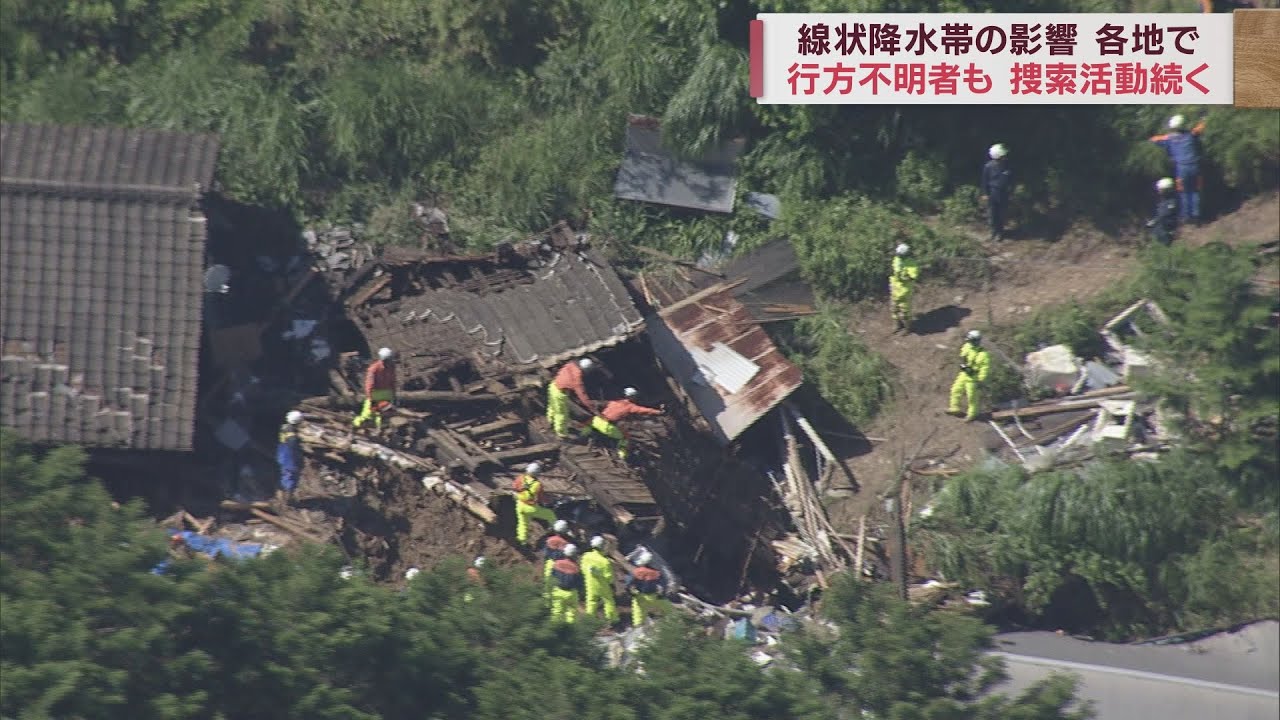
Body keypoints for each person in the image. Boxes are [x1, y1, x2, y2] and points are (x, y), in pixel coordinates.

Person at [1149, 114, 1207, 223]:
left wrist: (1151, 138)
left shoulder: (1169, 139)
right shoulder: (1191, 135)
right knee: (1195, 191)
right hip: (1195, 167)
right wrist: (1204, 119)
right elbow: (1200, 128)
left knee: (1184, 192)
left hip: (1182, 169)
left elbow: (1154, 139)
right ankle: (1196, 215)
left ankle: (1186, 217)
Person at [581, 387, 663, 460]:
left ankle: (582, 436)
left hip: (596, 422)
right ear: (633, 397)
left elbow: (598, 403)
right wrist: (659, 412)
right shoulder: (631, 407)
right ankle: (621, 456)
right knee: (625, 439)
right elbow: (644, 410)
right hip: (607, 428)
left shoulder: (614, 402)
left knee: (590, 422)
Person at [947, 330, 992, 422]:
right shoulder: (967, 346)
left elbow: (985, 369)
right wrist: (963, 365)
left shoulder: (984, 354)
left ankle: (972, 414)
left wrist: (980, 380)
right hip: (964, 374)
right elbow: (962, 357)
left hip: (973, 378)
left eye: (971, 340)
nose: (969, 342)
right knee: (955, 389)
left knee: (972, 397)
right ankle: (954, 407)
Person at [547, 358, 596, 438]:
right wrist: (589, 405)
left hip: (553, 385)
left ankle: (550, 420)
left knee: (552, 406)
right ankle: (561, 433)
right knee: (562, 414)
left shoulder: (571, 365)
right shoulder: (577, 378)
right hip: (559, 393)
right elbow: (581, 393)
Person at [513, 462, 557, 546]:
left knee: (523, 523)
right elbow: (542, 498)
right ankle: (555, 530)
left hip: (520, 504)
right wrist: (550, 501)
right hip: (530, 507)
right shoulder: (537, 484)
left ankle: (522, 541)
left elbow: (515, 487)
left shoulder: (520, 478)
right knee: (550, 514)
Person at [353, 347, 397, 431]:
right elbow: (369, 385)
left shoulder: (391, 368)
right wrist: (372, 399)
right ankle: (355, 426)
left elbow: (393, 381)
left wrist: (393, 394)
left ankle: (380, 431)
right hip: (375, 394)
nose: (390, 362)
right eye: (388, 360)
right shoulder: (374, 369)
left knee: (383, 416)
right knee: (367, 416)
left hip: (386, 393)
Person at [580, 535, 620, 625]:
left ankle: (589, 620)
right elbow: (609, 578)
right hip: (603, 585)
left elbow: (583, 569)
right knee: (608, 601)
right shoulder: (605, 561)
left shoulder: (586, 556)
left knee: (591, 601)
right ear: (602, 546)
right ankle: (612, 619)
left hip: (590, 583)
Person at [625, 551, 670, 627]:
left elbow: (628, 583)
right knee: (668, 609)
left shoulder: (636, 571)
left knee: (638, 614)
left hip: (639, 596)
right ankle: (673, 621)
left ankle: (638, 629)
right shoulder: (656, 573)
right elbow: (664, 585)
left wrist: (631, 593)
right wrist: (662, 595)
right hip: (653, 596)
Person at [981, 144, 1013, 241]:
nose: (1004, 157)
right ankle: (993, 232)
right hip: (992, 192)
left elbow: (1011, 180)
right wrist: (985, 193)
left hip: (1003, 193)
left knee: (1001, 213)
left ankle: (1000, 233)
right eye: (1002, 155)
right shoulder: (988, 166)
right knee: (992, 213)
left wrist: (1011, 191)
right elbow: (984, 181)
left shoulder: (1007, 166)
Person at [889, 243, 920, 333]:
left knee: (905, 311)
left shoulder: (912, 263)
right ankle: (897, 325)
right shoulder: (896, 259)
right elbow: (893, 270)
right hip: (895, 289)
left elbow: (912, 277)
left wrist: (904, 277)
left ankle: (907, 328)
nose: (899, 256)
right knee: (894, 309)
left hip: (904, 291)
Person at [548, 544, 583, 624]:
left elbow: (551, 576)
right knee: (571, 614)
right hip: (571, 593)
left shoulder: (557, 563)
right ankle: (569, 631)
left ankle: (554, 630)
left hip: (557, 591)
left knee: (556, 613)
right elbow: (579, 583)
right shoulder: (576, 568)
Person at [276, 411, 303, 504]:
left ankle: (281, 495)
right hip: (289, 457)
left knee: (283, 474)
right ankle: (288, 498)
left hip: (281, 454)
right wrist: (299, 460)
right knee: (291, 477)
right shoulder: (293, 436)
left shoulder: (283, 428)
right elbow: (294, 449)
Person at [541, 520, 572, 600]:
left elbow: (545, 553)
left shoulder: (550, 540)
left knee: (547, 585)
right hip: (560, 566)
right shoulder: (565, 543)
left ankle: (546, 603)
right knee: (557, 585)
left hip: (549, 563)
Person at [1147, 178, 1180, 246]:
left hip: (1165, 232)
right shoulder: (1163, 201)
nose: (1159, 191)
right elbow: (1160, 214)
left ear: (1166, 190)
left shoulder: (1172, 202)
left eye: (1161, 189)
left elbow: (1164, 215)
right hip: (1158, 230)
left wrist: (1154, 221)